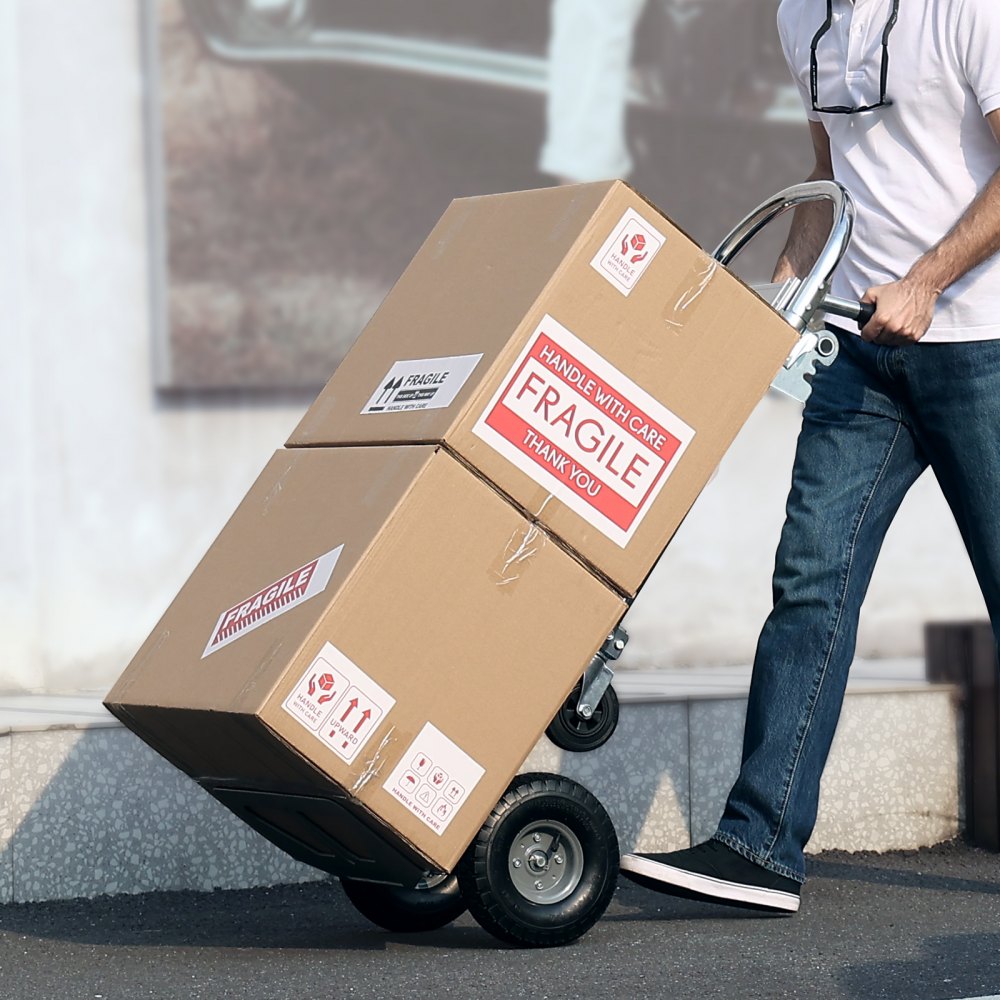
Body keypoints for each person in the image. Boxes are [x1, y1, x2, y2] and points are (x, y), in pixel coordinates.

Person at [620, 0, 1000, 913]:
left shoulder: (969, 10)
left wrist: (926, 280)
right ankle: (761, 844)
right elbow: (832, 176)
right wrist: (779, 299)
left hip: (980, 345)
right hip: (861, 355)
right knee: (810, 587)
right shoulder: (801, 17)